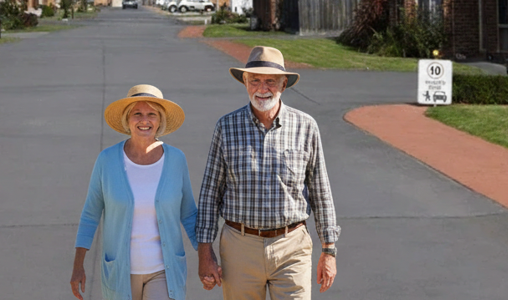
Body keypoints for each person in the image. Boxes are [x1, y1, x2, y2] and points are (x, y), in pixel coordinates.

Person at [196, 46, 339, 298]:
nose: (262, 88)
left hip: (291, 246)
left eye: (270, 81)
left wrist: (329, 250)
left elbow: (320, 191)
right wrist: (204, 252)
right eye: (255, 80)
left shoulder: (306, 126)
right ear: (245, 82)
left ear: (283, 84)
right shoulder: (226, 127)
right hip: (239, 247)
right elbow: (210, 192)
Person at [71, 84, 199, 300]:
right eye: (137, 114)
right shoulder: (107, 160)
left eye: (152, 114)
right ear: (127, 119)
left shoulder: (177, 159)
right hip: (120, 271)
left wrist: (208, 257)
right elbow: (90, 215)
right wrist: (78, 266)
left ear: (160, 121)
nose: (144, 120)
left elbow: (189, 214)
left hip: (163, 271)